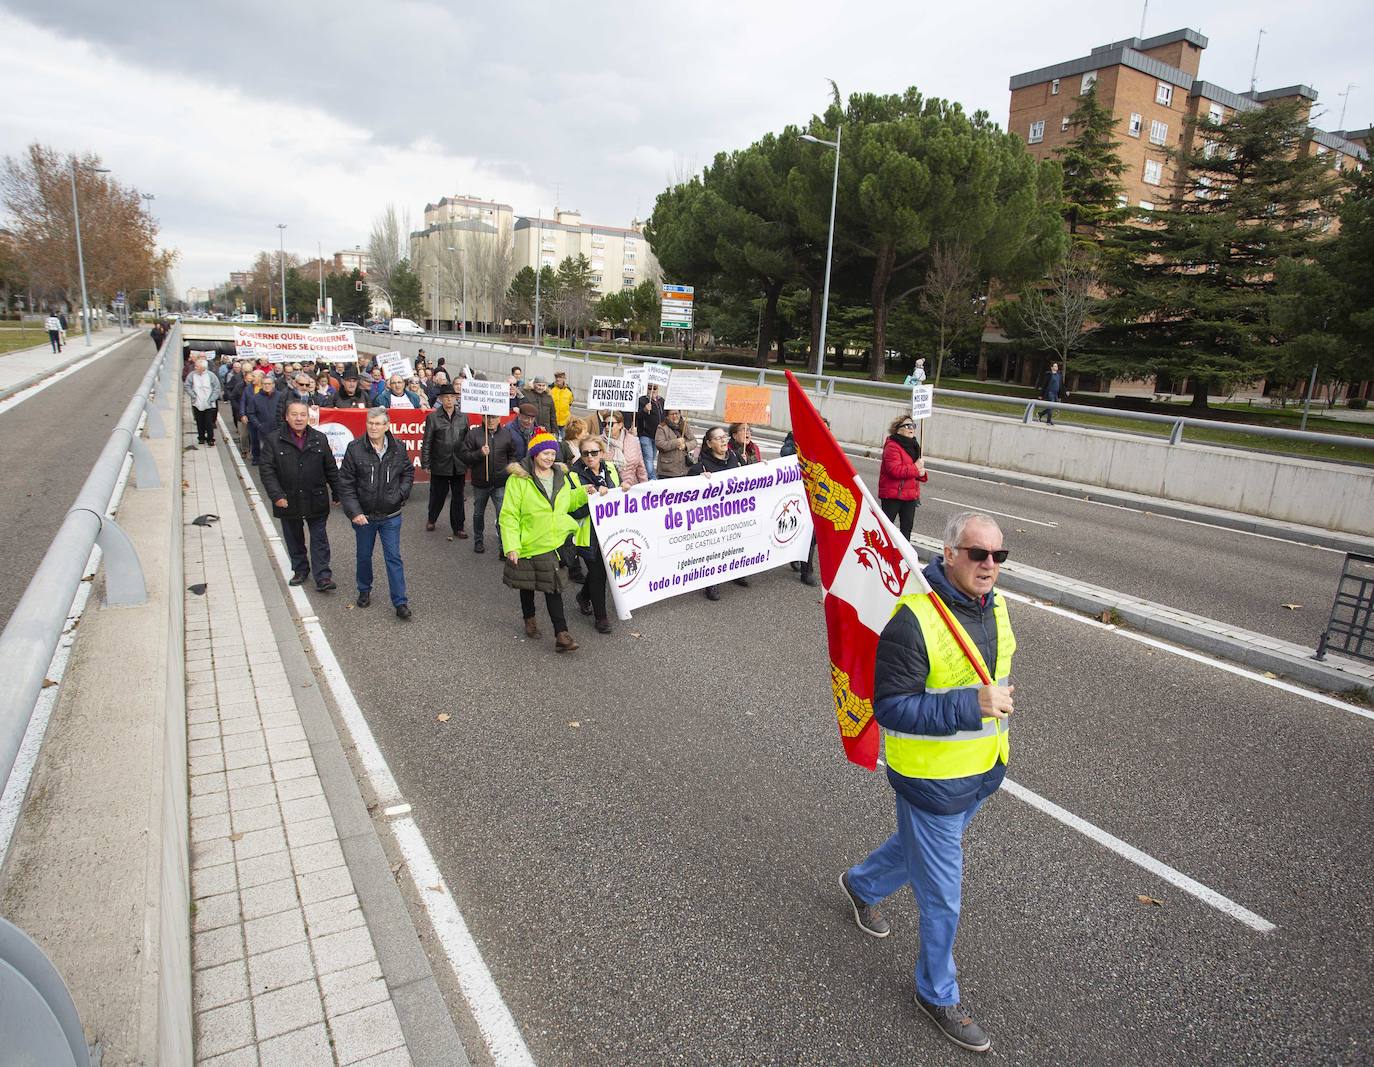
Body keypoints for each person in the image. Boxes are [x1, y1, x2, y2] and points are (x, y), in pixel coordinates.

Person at [840, 511, 1014, 1055]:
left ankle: (861, 884)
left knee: (911, 850)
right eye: (977, 553)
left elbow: (994, 675)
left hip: (982, 770)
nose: (989, 565)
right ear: (949, 552)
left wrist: (992, 728)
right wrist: (971, 705)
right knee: (944, 896)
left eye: (998, 556)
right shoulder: (914, 618)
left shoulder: (997, 606)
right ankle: (936, 992)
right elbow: (889, 706)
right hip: (931, 783)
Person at [500, 431, 604, 652]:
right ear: (535, 453)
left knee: (553, 587)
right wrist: (511, 545)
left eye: (552, 453)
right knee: (527, 585)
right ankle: (529, 618)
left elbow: (567, 502)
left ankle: (561, 634)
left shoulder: (559, 475)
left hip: (554, 542)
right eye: (545, 453)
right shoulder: (518, 479)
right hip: (528, 542)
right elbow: (509, 514)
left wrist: (583, 493)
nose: (549, 457)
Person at [339, 408, 414, 618]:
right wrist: (354, 512)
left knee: (394, 558)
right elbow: (345, 483)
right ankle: (364, 590)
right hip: (365, 516)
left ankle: (400, 603)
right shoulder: (354, 449)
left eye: (378, 423)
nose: (373, 427)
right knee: (364, 556)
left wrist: (401, 493)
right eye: (370, 423)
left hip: (391, 515)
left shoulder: (398, 447)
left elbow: (408, 472)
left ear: (386, 426)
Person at [259, 400, 340, 592]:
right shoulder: (273, 439)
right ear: (286, 417)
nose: (298, 418)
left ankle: (323, 576)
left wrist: (337, 491)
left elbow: (330, 467)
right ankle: (300, 570)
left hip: (316, 497)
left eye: (302, 414)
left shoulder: (319, 438)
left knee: (319, 538)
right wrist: (276, 495)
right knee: (294, 537)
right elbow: (267, 471)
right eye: (294, 414)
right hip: (288, 499)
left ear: (308, 416)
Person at [690, 427, 749, 602]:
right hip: (713, 516)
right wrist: (699, 479)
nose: (723, 441)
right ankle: (711, 582)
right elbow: (687, 489)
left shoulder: (735, 457)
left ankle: (736, 572)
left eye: (724, 437)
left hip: (735, 510)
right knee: (714, 548)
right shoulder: (701, 466)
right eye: (718, 438)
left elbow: (750, 476)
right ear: (709, 443)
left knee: (736, 542)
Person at [568, 436, 620, 634]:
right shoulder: (573, 476)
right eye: (585, 453)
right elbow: (573, 511)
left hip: (611, 531)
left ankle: (583, 596)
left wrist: (624, 489)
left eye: (594, 453)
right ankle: (601, 617)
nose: (590, 457)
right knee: (599, 574)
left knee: (603, 571)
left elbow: (620, 496)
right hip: (588, 534)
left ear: (602, 452)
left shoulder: (612, 469)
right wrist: (593, 497)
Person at [420, 384, 468, 540]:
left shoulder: (463, 417)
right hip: (440, 463)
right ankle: (432, 518)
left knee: (458, 497)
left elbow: (467, 441)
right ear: (440, 399)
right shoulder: (433, 417)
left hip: (458, 464)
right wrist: (425, 463)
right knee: (437, 495)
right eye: (446, 397)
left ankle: (458, 527)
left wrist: (469, 458)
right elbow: (427, 441)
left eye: (452, 396)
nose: (449, 399)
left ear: (456, 398)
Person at [460, 413, 505, 555]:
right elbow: (465, 456)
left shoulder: (507, 435)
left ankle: (504, 545)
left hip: (499, 483)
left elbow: (512, 455)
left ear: (500, 418)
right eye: (487, 417)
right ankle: (478, 540)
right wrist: (479, 453)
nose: (490, 420)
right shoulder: (474, 434)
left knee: (503, 515)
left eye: (494, 417)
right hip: (480, 483)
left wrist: (507, 471)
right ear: (482, 418)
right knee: (478, 514)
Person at [879, 414, 927, 542]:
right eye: (907, 425)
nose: (911, 428)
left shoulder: (914, 446)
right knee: (886, 529)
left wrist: (922, 473)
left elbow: (914, 472)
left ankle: (903, 558)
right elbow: (894, 471)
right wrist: (916, 467)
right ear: (898, 429)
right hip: (893, 495)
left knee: (907, 529)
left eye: (913, 425)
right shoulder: (892, 446)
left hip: (910, 496)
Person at [780, 428, 819, 587]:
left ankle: (806, 568)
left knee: (813, 535)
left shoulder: (824, 442)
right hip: (797, 495)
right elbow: (786, 454)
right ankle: (805, 569)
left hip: (816, 495)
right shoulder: (792, 440)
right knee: (800, 530)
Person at [184, 355, 222, 446]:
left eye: (197, 366)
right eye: (195, 366)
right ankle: (201, 437)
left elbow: (217, 388)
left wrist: (212, 399)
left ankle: (210, 439)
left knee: (209, 422)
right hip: (197, 403)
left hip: (209, 403)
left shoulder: (211, 376)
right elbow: (187, 386)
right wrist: (193, 396)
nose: (195, 367)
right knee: (199, 421)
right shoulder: (192, 375)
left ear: (203, 368)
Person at [604, 411, 648, 486]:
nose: (607, 427)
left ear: (620, 425)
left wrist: (645, 486)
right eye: (604, 424)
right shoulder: (599, 442)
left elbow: (641, 468)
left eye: (611, 424)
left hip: (631, 488)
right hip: (610, 490)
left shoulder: (633, 440)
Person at [245, 374, 280, 465]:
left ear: (273, 385)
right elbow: (251, 413)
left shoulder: (280, 396)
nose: (267, 386)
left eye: (269, 384)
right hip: (262, 429)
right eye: (264, 384)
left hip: (277, 429)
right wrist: (258, 425)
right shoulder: (255, 398)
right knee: (264, 450)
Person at [654, 408, 697, 479]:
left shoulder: (684, 425)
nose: (675, 416)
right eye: (672, 414)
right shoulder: (662, 427)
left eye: (677, 413)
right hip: (667, 470)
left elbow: (694, 441)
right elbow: (660, 444)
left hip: (683, 468)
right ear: (667, 416)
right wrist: (676, 442)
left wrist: (685, 446)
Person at [637, 383, 664, 478]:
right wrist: (644, 410)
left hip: (657, 436)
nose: (652, 390)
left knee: (651, 458)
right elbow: (636, 417)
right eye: (649, 388)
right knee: (648, 458)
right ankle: (652, 478)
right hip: (645, 434)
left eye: (655, 388)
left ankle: (645, 476)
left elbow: (664, 416)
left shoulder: (661, 401)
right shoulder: (642, 400)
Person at [550, 371, 575, 436]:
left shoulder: (568, 390)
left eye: (560, 377)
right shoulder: (550, 389)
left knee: (565, 441)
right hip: (553, 421)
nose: (558, 379)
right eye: (556, 377)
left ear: (564, 378)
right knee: (555, 441)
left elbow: (570, 402)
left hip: (565, 421)